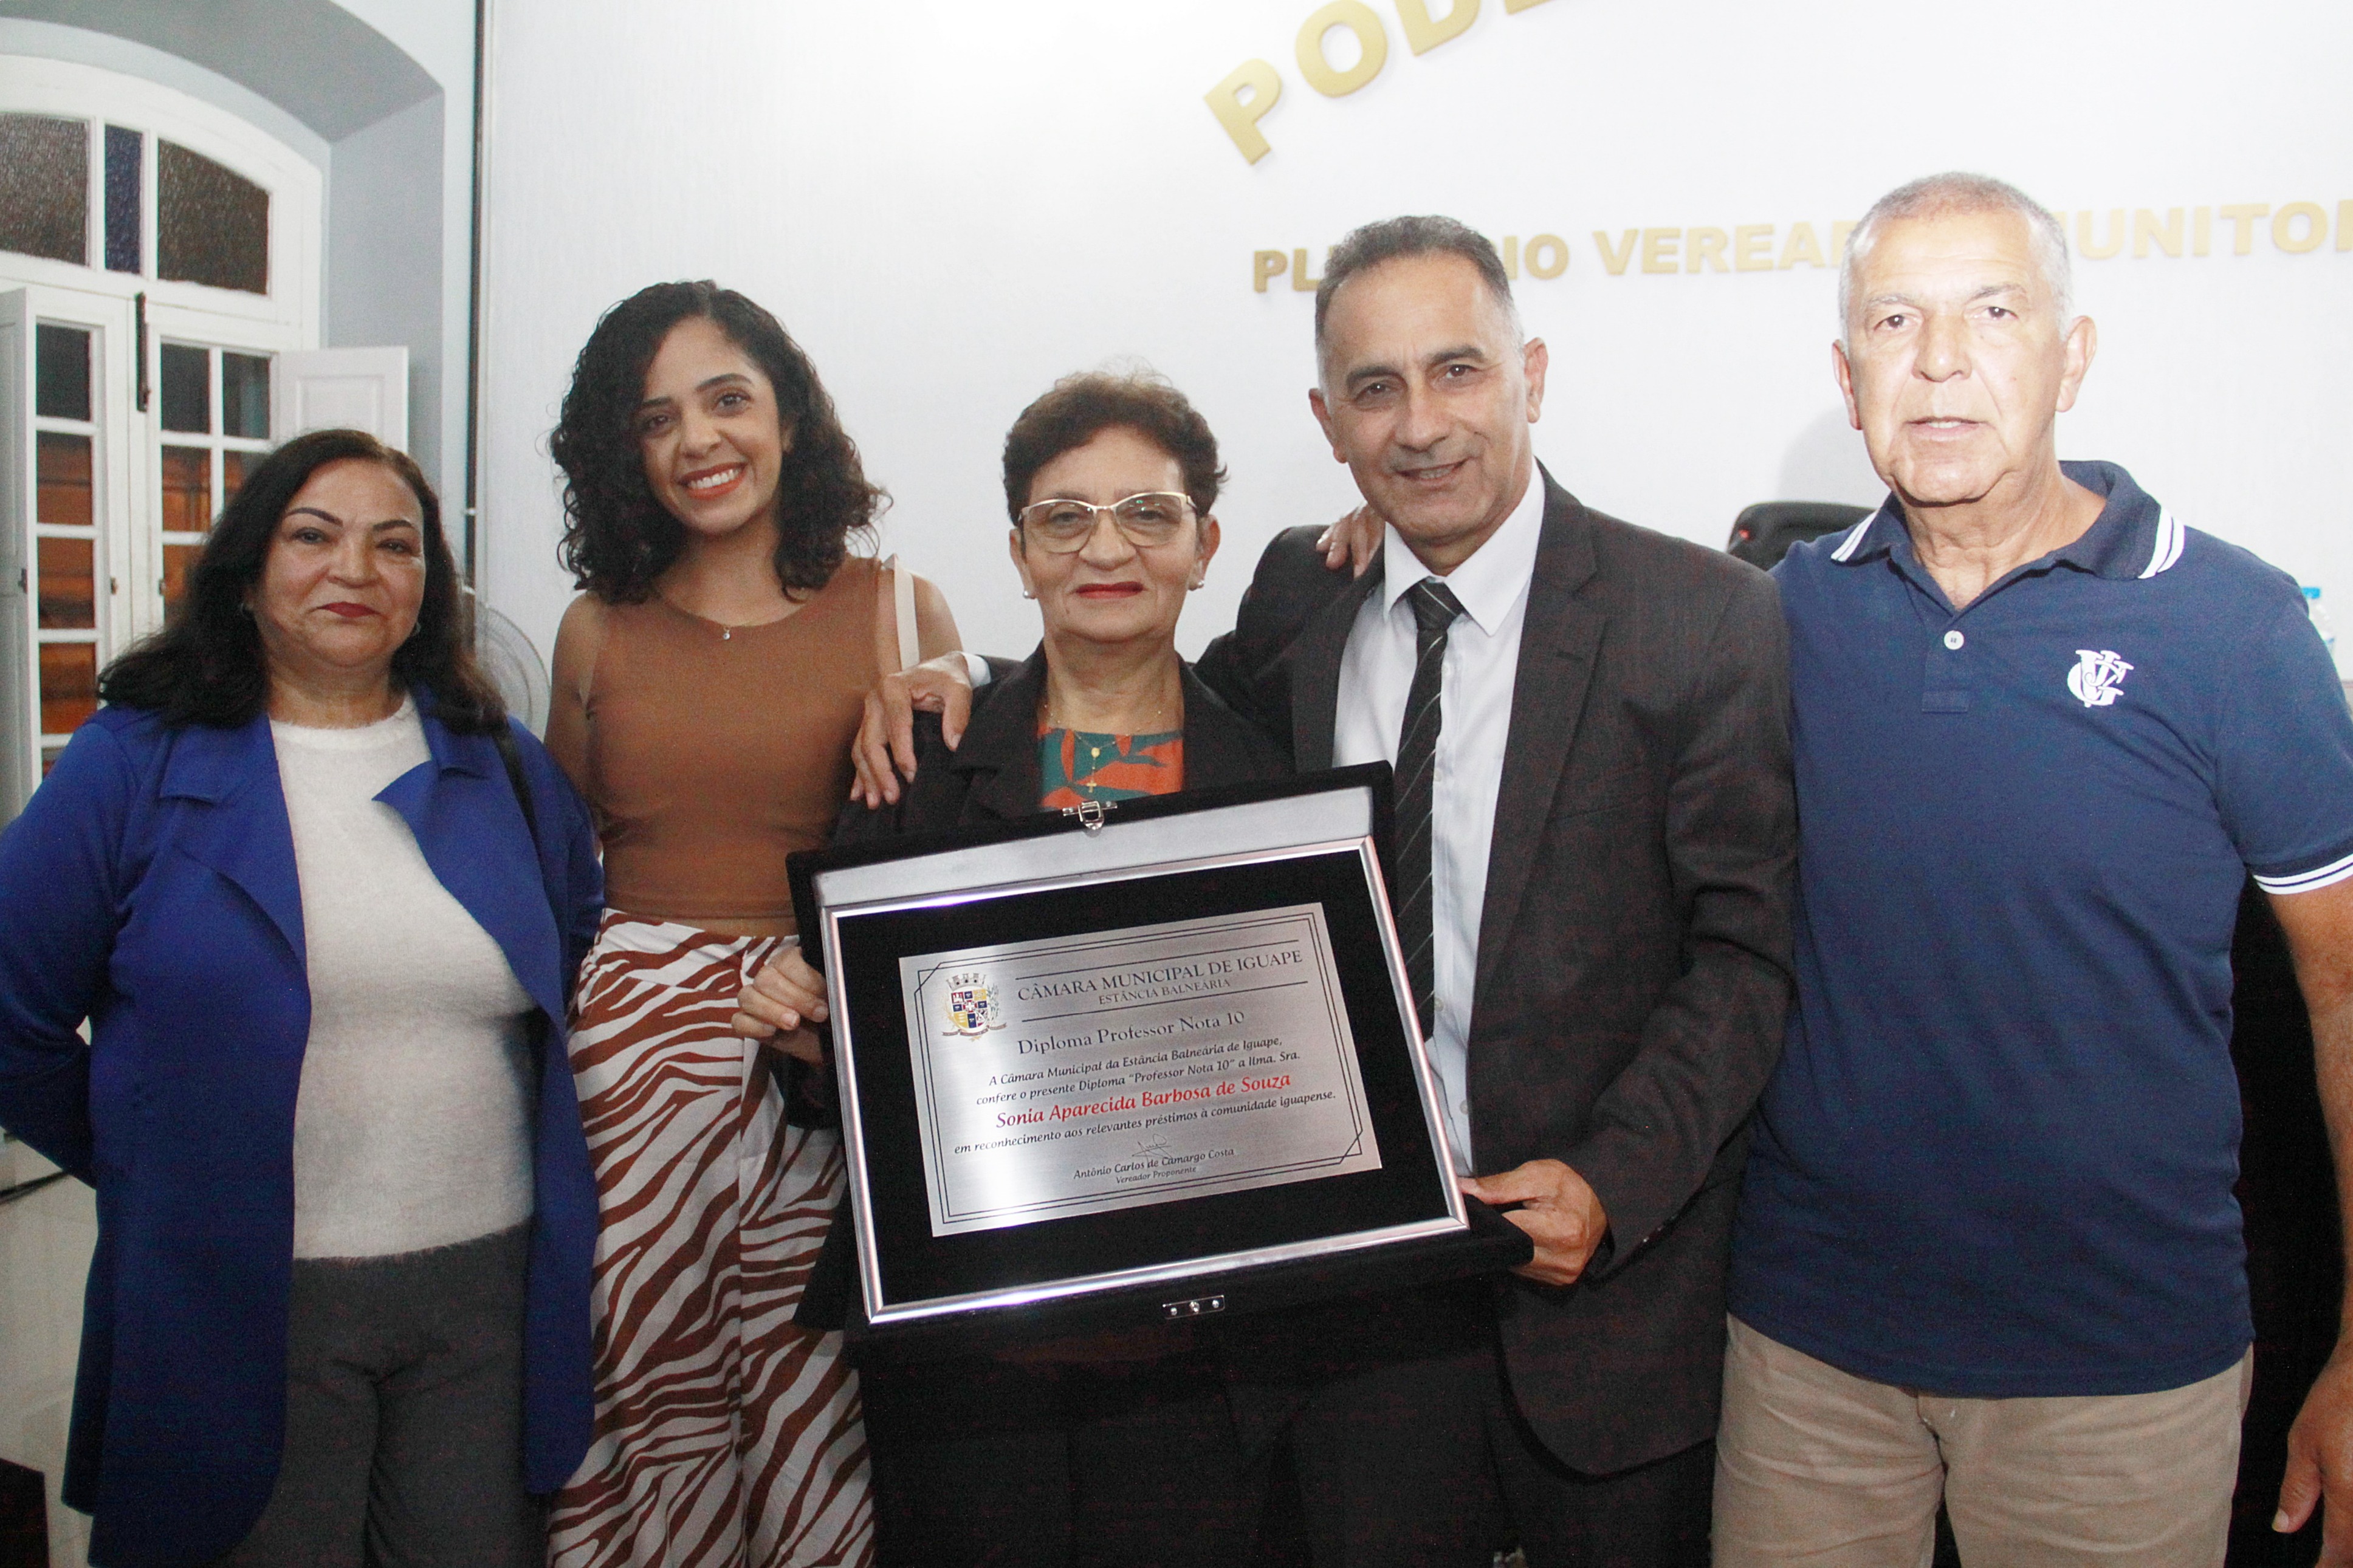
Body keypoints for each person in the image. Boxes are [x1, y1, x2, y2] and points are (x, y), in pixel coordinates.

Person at [851, 217, 1797, 1566]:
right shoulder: (1303, 595)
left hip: (1605, 1305)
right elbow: (1127, 705)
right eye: (1375, 388)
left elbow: (1745, 956)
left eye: (1458, 371)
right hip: (1350, 1329)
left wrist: (1612, 1179)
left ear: (1531, 372)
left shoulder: (1702, 614)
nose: (1420, 425)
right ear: (1329, 420)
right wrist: (969, 678)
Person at [1713, 172, 2353, 1566]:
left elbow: (2345, 997)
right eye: (1895, 320)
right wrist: (1371, 548)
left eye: (1993, 313)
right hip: (1808, 1354)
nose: (1940, 361)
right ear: (1847, 375)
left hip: (2117, 1370)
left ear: (2073, 355)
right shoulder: (1777, 618)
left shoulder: (2234, 630)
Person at [0, 429, 603, 1566]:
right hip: (239, 1294)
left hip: (486, 1289)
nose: (356, 570)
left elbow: (575, 958)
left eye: (396, 545)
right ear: (246, 572)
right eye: (313, 536)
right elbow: (11, 1014)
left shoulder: (509, 768)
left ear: (429, 585)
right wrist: (153, 1155)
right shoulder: (130, 764)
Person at [735, 369, 1291, 1566]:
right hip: (967, 1347)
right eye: (1064, 517)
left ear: (1204, 547)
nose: (1107, 548)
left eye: (1149, 514)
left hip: (1202, 1350)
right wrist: (810, 1029)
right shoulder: (918, 758)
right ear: (1020, 552)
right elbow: (844, 1064)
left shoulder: (1279, 775)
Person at [542, 280, 961, 1567]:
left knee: (813, 1396)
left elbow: (948, 861)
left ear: (788, 415)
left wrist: (961, 678)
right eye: (655, 418)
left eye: (727, 399)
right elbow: (556, 874)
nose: (698, 440)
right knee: (642, 1390)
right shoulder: (593, 629)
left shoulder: (902, 610)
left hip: (819, 1068)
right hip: (629, 1095)